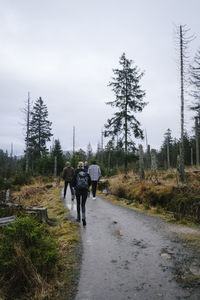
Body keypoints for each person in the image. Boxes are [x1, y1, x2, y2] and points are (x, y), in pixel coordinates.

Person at [72, 161, 91, 226]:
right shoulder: (86, 171)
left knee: (78, 203)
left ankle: (78, 217)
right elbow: (90, 182)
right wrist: (87, 187)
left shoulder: (76, 171)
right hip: (85, 190)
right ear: (83, 166)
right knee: (83, 205)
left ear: (78, 166)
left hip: (78, 190)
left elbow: (73, 182)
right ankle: (83, 216)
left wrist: (75, 187)